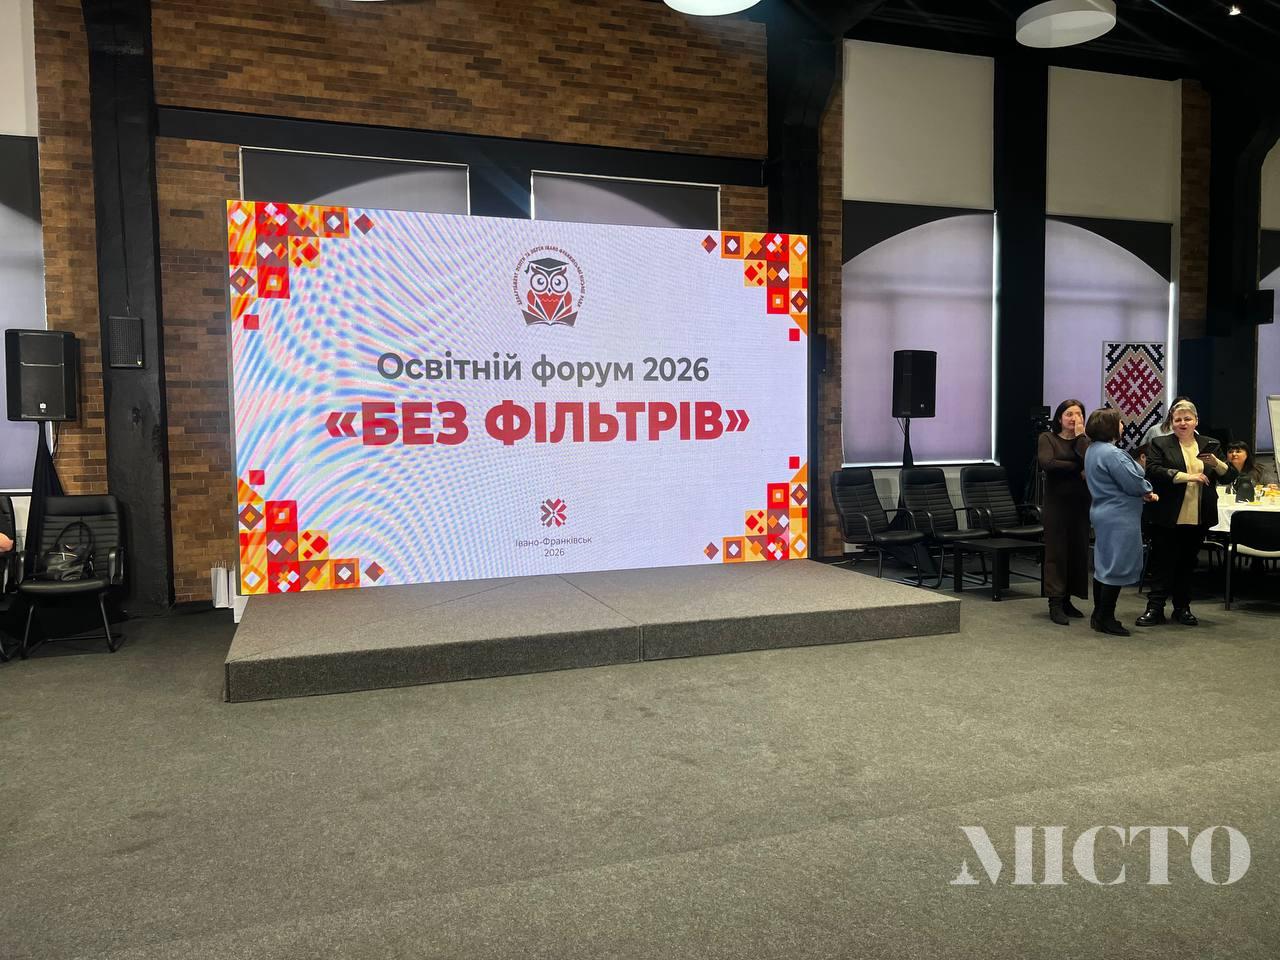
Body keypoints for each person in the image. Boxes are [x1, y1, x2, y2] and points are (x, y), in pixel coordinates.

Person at [1136, 399, 1236, 627]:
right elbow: (1153, 470)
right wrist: (1188, 477)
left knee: (1188, 563)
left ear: (1196, 421)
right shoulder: (1160, 443)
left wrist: (1217, 463)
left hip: (1198, 514)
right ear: (1171, 423)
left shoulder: (1210, 444)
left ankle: (1182, 609)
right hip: (1168, 514)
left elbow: (1229, 476)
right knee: (1162, 563)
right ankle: (1154, 608)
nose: (1182, 423)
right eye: (1178, 419)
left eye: (1187, 419)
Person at [1085, 407, 1157, 636]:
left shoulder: (1093, 450)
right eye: (1119, 422)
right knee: (1116, 566)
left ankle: (1098, 615)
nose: (1123, 426)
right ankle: (1106, 617)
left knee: (1104, 565)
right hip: (1119, 516)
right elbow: (1133, 482)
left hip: (1103, 512)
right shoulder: (1112, 453)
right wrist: (1147, 489)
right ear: (1110, 427)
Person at [1037, 399, 1091, 625]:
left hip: (1080, 504)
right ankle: (1055, 602)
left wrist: (1081, 437)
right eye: (1069, 414)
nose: (1074, 418)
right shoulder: (1048, 438)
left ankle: (1068, 599)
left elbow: (1090, 462)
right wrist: (1077, 468)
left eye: (1078, 414)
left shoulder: (1085, 440)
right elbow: (1048, 463)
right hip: (1056, 505)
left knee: (1077, 551)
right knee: (1057, 553)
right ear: (1059, 418)